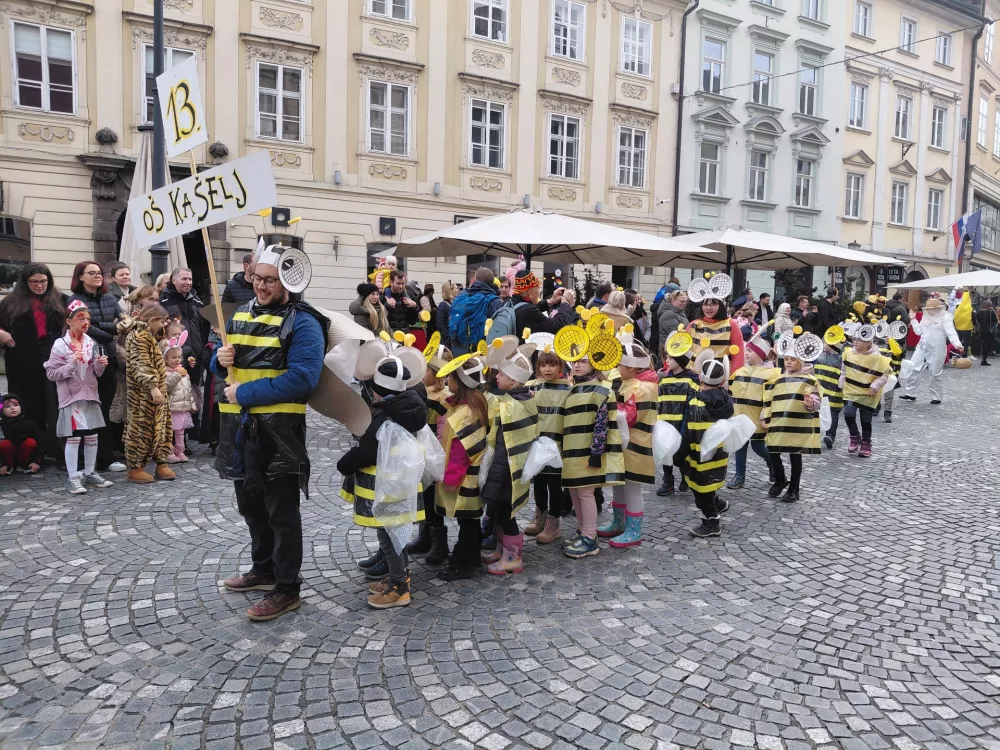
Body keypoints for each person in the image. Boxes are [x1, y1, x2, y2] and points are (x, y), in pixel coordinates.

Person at [215, 247, 328, 621]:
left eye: (268, 280)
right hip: (240, 430)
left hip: (279, 433)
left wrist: (245, 393)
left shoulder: (305, 323)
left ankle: (286, 587)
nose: (260, 286)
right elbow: (226, 367)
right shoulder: (241, 313)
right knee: (250, 505)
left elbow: (303, 379)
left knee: (281, 512)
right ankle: (262, 569)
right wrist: (219, 361)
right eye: (256, 278)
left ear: (289, 281)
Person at [338, 356, 427, 609]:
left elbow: (365, 453)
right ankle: (400, 577)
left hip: (386, 492)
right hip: (402, 488)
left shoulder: (381, 418)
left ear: (376, 389)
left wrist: (344, 464)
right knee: (398, 535)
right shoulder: (411, 408)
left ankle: (399, 588)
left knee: (390, 538)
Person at [44, 300, 115, 495]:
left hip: (90, 395)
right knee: (74, 438)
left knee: (92, 435)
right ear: (69, 321)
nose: (85, 322)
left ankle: (90, 472)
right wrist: (71, 364)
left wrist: (101, 364)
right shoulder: (60, 345)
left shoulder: (91, 342)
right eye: (80, 318)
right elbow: (52, 373)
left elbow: (96, 373)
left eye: (88, 319)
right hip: (72, 398)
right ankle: (73, 477)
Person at [560, 346, 624, 559]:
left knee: (586, 493)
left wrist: (596, 452)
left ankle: (590, 537)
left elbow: (601, 423)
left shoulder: (601, 390)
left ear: (594, 365)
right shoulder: (573, 389)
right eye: (575, 360)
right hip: (571, 451)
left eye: (583, 361)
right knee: (574, 490)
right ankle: (582, 529)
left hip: (587, 452)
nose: (577, 364)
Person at [480, 345, 539, 575]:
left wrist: (494, 471)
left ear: (513, 381)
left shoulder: (510, 406)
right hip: (509, 468)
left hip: (506, 469)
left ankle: (513, 558)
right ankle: (501, 550)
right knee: (500, 512)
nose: (497, 375)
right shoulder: (523, 400)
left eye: (502, 374)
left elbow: (505, 443)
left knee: (507, 514)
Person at [0, 263, 66, 462]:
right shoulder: (10, 302)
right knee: (27, 405)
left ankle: (57, 450)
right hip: (22, 359)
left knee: (54, 404)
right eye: (34, 282)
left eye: (43, 281)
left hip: (52, 357)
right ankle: (32, 454)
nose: (39, 286)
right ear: (25, 282)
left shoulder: (60, 299)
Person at [435, 355, 491, 581]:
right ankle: (472, 557)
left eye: (451, 377)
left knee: (467, 520)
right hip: (471, 474)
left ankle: (463, 562)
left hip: (465, 477)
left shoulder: (465, 414)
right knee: (471, 520)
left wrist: (451, 477)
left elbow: (461, 449)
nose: (448, 380)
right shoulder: (474, 403)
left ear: (461, 381)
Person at [597, 340, 657, 548]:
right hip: (626, 444)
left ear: (631, 367)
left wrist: (611, 410)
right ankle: (619, 521)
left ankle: (634, 530)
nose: (617, 369)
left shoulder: (641, 388)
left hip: (635, 445)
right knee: (620, 484)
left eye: (619, 365)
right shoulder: (631, 383)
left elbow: (629, 417)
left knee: (632, 488)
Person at [69, 260, 126, 472]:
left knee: (105, 406)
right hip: (85, 360)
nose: (97, 276)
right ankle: (90, 457)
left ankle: (105, 455)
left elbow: (124, 321)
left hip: (107, 357)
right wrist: (110, 331)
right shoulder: (75, 300)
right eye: (91, 273)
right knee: (88, 407)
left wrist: (107, 329)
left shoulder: (110, 297)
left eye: (99, 272)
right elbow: (84, 328)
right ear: (81, 277)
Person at [761, 329, 823, 502]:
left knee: (795, 454)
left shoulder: (809, 380)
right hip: (779, 421)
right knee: (772, 448)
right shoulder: (779, 379)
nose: (788, 362)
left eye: (792, 359)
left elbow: (816, 399)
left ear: (801, 360)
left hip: (798, 424)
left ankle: (794, 488)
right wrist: (764, 416)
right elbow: (769, 398)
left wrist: (812, 404)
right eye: (786, 359)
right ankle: (780, 479)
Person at [404, 346, 453, 564]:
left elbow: (444, 429)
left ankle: (439, 542)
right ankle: (425, 536)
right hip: (420, 449)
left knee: (434, 498)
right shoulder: (423, 390)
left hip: (433, 452)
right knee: (424, 496)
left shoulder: (443, 398)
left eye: (425, 369)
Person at [123, 304, 175, 483]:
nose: (163, 325)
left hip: (158, 390)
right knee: (140, 427)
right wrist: (153, 386)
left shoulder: (150, 336)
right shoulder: (138, 337)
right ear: (152, 320)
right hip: (142, 394)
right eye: (161, 321)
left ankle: (161, 461)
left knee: (161, 426)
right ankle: (135, 467)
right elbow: (141, 364)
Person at [685, 357, 735, 537]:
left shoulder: (696, 403)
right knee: (709, 482)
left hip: (700, 454)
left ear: (700, 378)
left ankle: (712, 522)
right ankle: (718, 503)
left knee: (700, 488)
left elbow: (690, 430)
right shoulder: (727, 400)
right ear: (722, 381)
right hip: (719, 453)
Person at [525, 350, 570, 544]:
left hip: (557, 443)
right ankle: (540, 515)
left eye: (552, 365)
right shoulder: (534, 386)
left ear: (560, 367)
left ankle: (554, 521)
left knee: (554, 483)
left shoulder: (568, 389)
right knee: (540, 480)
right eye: (543, 365)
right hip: (538, 442)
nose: (547, 369)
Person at [726, 332, 777, 489]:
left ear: (760, 354)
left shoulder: (770, 375)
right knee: (740, 446)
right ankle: (739, 476)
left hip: (757, 419)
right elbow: (730, 391)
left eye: (750, 351)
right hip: (741, 416)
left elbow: (770, 399)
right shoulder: (740, 371)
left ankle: (772, 463)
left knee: (758, 446)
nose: (746, 353)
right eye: (746, 350)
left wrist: (765, 415)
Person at [655, 332, 698, 496]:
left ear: (680, 361)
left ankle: (685, 476)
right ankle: (668, 481)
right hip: (666, 424)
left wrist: (686, 426)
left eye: (671, 358)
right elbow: (660, 402)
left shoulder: (691, 381)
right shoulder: (664, 380)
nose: (666, 361)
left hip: (682, 424)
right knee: (666, 453)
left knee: (681, 454)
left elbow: (692, 405)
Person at [900, 297, 963, 405]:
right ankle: (910, 393)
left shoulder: (945, 317)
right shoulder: (926, 316)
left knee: (934, 373)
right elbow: (919, 331)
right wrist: (913, 319)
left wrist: (957, 344)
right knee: (913, 368)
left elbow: (951, 332)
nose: (930, 311)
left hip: (937, 348)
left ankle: (936, 396)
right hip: (922, 346)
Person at [841, 325, 891, 457]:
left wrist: (875, 386)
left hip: (869, 393)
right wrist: (842, 381)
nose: (855, 342)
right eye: (854, 339)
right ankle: (854, 436)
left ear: (869, 342)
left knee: (866, 420)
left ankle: (866, 442)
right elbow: (844, 370)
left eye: (859, 339)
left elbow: (884, 374)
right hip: (851, 390)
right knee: (848, 414)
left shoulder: (877, 357)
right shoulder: (848, 354)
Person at [686, 273, 745, 373]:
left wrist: (733, 378)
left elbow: (738, 354)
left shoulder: (731, 325)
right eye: (706, 304)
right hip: (694, 376)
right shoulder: (693, 325)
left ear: (720, 306)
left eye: (713, 304)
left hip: (721, 378)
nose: (709, 308)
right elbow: (684, 350)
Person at [159, 267, 206, 390]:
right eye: (184, 279)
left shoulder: (197, 301)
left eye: (190, 279)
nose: (188, 282)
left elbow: (204, 328)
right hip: (174, 357)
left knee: (195, 394)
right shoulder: (163, 300)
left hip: (195, 356)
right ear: (174, 280)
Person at [448, 268, 505, 354]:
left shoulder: (461, 298)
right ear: (493, 282)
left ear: (474, 279)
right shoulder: (495, 302)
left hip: (461, 353)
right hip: (482, 353)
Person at [164, 336, 197, 463]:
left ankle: (180, 450)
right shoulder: (166, 372)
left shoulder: (184, 372)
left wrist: (192, 405)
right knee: (169, 432)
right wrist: (177, 375)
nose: (177, 360)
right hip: (171, 408)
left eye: (178, 357)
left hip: (182, 408)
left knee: (180, 432)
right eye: (173, 357)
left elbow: (187, 390)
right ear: (166, 359)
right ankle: (169, 452)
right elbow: (167, 386)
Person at [511, 269, 570, 336]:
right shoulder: (528, 311)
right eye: (537, 288)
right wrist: (566, 303)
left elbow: (531, 308)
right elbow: (557, 326)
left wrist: (551, 301)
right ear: (530, 292)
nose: (539, 292)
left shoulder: (510, 303)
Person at [814, 328, 845, 449]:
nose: (823, 344)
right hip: (822, 392)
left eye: (825, 342)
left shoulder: (841, 360)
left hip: (835, 394)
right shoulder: (821, 356)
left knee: (833, 415)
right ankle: (818, 434)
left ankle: (830, 436)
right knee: (819, 413)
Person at [0, 394, 44, 475]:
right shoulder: (2, 425)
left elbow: (40, 442)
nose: (12, 408)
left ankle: (26, 465)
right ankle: (8, 466)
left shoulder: (28, 422)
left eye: (16, 405)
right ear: (2, 410)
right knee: (4, 444)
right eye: (8, 406)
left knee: (30, 442)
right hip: (8, 457)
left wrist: (36, 462)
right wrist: (2, 464)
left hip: (25, 456)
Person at [382, 270, 419, 335]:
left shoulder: (409, 296)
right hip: (388, 337)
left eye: (403, 283)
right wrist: (387, 305)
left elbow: (412, 321)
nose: (401, 286)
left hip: (404, 337)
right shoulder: (382, 296)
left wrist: (414, 307)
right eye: (398, 283)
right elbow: (377, 319)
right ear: (391, 282)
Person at [657, 291, 689, 358]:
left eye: (685, 301)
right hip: (671, 351)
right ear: (673, 300)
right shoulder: (668, 314)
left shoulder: (678, 311)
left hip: (676, 349)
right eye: (682, 301)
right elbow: (677, 334)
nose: (684, 303)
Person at [437, 281, 457, 350]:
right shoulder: (443, 305)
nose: (457, 290)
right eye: (455, 288)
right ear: (450, 290)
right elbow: (440, 323)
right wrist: (448, 337)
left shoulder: (453, 304)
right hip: (446, 342)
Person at [976, 301, 998, 365]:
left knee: (984, 343)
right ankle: (984, 359)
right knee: (987, 344)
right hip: (989, 331)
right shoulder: (991, 312)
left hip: (982, 330)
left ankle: (983, 358)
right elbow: (996, 320)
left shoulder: (979, 312)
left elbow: (978, 321)